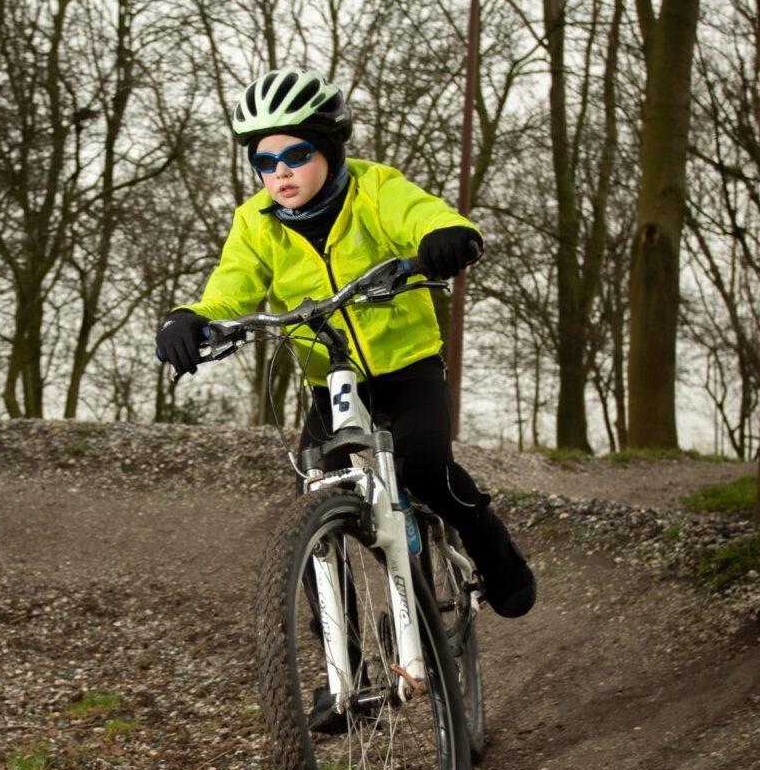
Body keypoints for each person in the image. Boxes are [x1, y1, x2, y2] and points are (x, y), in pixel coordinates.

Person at [156, 69, 535, 725]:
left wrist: (441, 238)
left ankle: (485, 536)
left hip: (407, 369)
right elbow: (233, 287)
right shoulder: (257, 224)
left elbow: (422, 216)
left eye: (296, 154)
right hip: (328, 380)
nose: (280, 171)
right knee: (313, 496)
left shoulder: (374, 189)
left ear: (328, 148)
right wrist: (193, 316)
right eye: (263, 160)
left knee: (423, 466)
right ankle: (346, 667)